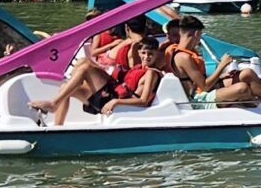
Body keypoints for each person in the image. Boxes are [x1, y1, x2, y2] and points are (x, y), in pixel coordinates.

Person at [31, 35, 163, 126]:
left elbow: (143, 101)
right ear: (139, 53)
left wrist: (116, 102)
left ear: (157, 54)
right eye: (144, 53)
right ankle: (58, 129)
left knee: (86, 67)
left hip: (115, 99)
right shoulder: (138, 67)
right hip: (112, 93)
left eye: (151, 54)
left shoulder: (151, 73)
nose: (146, 57)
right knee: (68, 84)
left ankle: (54, 104)